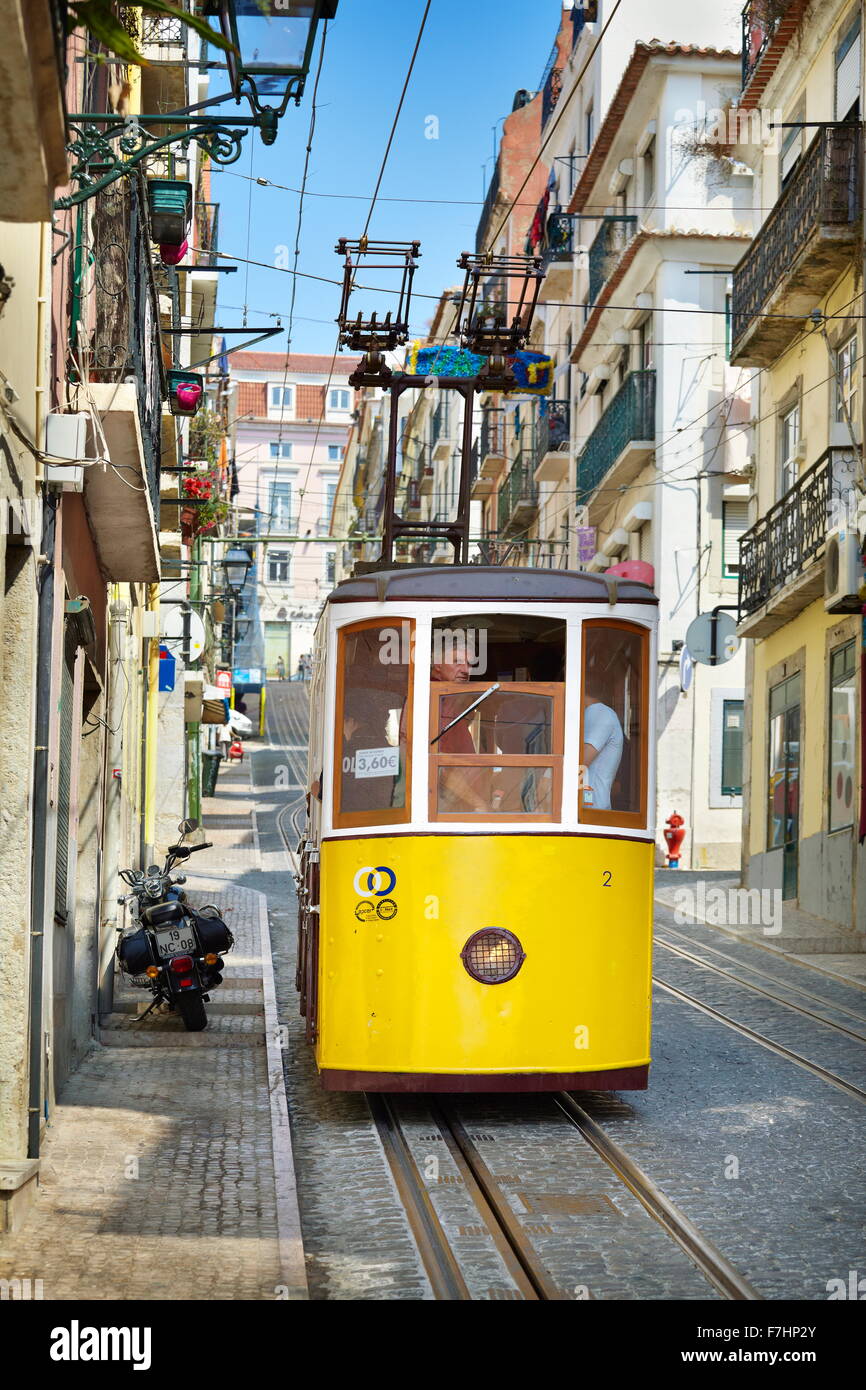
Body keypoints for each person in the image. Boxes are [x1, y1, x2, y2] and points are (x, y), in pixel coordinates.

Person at [582, 677, 623, 811]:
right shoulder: (597, 712)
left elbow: (582, 759)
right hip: (590, 805)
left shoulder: (598, 712)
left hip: (591, 807)